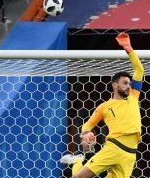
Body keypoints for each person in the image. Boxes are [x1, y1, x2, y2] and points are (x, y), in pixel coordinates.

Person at [60, 32, 144, 178]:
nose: (128, 86)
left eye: (129, 84)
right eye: (125, 83)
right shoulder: (104, 107)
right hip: (113, 149)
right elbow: (87, 125)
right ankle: (78, 161)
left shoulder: (133, 96)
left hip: (130, 155)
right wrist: (87, 134)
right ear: (114, 85)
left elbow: (139, 70)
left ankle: (78, 161)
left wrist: (129, 49)